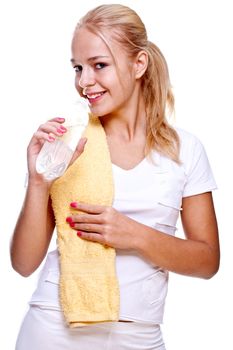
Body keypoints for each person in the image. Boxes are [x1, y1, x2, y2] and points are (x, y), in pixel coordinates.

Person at [11, 4, 220, 350]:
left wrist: (134, 234)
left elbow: (207, 261)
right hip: (53, 328)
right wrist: (38, 182)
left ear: (139, 64)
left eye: (99, 65)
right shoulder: (69, 140)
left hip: (140, 336)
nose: (84, 82)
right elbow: (23, 263)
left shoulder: (185, 150)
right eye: (77, 68)